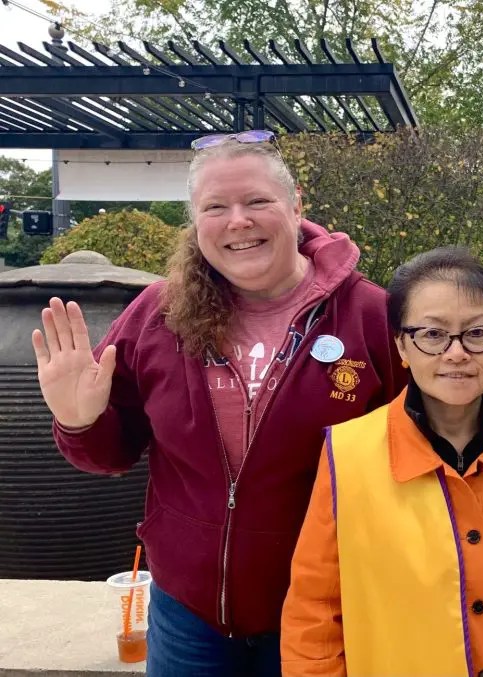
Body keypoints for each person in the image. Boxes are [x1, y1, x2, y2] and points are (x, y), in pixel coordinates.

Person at [31, 130, 407, 676]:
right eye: (215, 207)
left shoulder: (371, 317)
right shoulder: (157, 313)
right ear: (195, 221)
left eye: (257, 201)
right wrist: (78, 419)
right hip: (189, 616)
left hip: (326, 607)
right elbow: (108, 456)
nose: (238, 220)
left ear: (295, 204)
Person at [280, 247, 483, 677]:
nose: (456, 353)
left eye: (477, 333)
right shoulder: (348, 457)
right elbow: (316, 605)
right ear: (402, 344)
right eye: (433, 335)